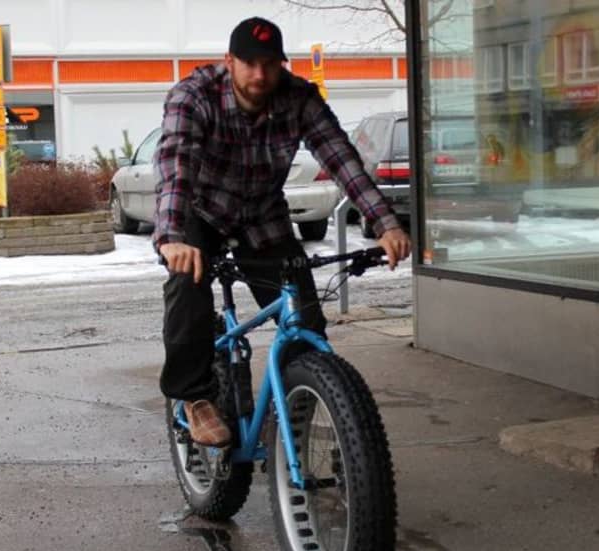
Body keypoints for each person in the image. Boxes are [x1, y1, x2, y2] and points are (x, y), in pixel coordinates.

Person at [153, 17, 412, 447]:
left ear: (281, 64)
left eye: (270, 64)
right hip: (200, 211)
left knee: (304, 317)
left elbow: (342, 159)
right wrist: (172, 238)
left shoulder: (298, 98)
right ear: (229, 60)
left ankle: (301, 408)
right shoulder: (194, 96)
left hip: (262, 215)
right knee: (187, 283)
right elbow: (176, 166)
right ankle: (194, 397)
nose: (260, 74)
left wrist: (385, 223)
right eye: (250, 63)